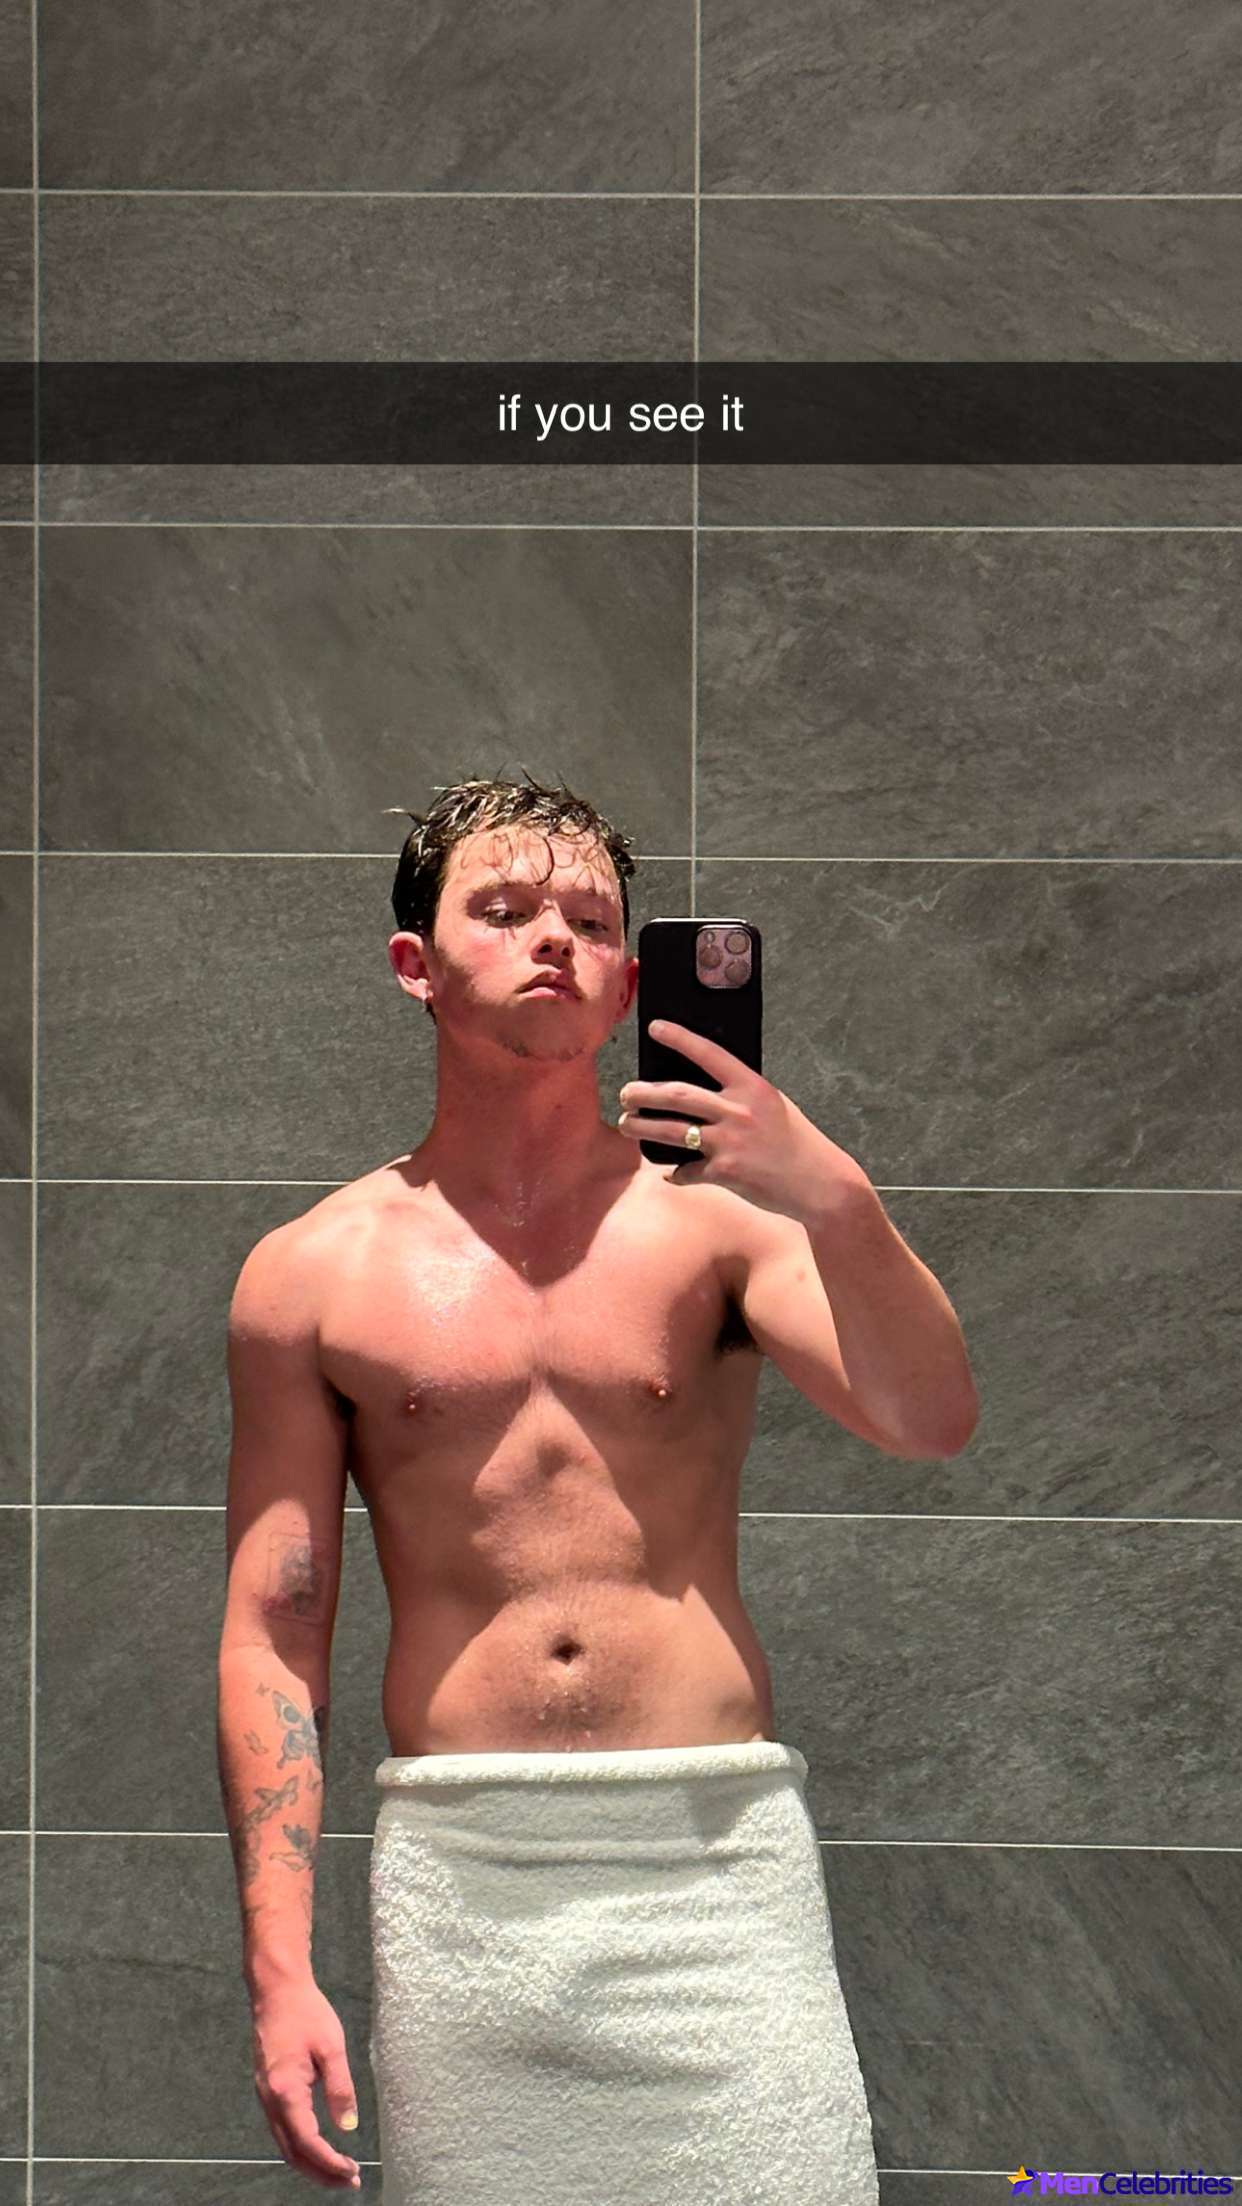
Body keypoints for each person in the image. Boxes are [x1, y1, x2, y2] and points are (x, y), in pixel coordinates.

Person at [216, 771, 932, 2203]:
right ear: (414, 963)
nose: (553, 935)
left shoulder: (722, 1228)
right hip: (467, 1880)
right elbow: (274, 1629)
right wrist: (279, 1968)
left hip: (715, 1868)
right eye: (502, 908)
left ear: (629, 987)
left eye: (593, 921)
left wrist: (835, 1194)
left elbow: (927, 1420)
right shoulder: (311, 1273)